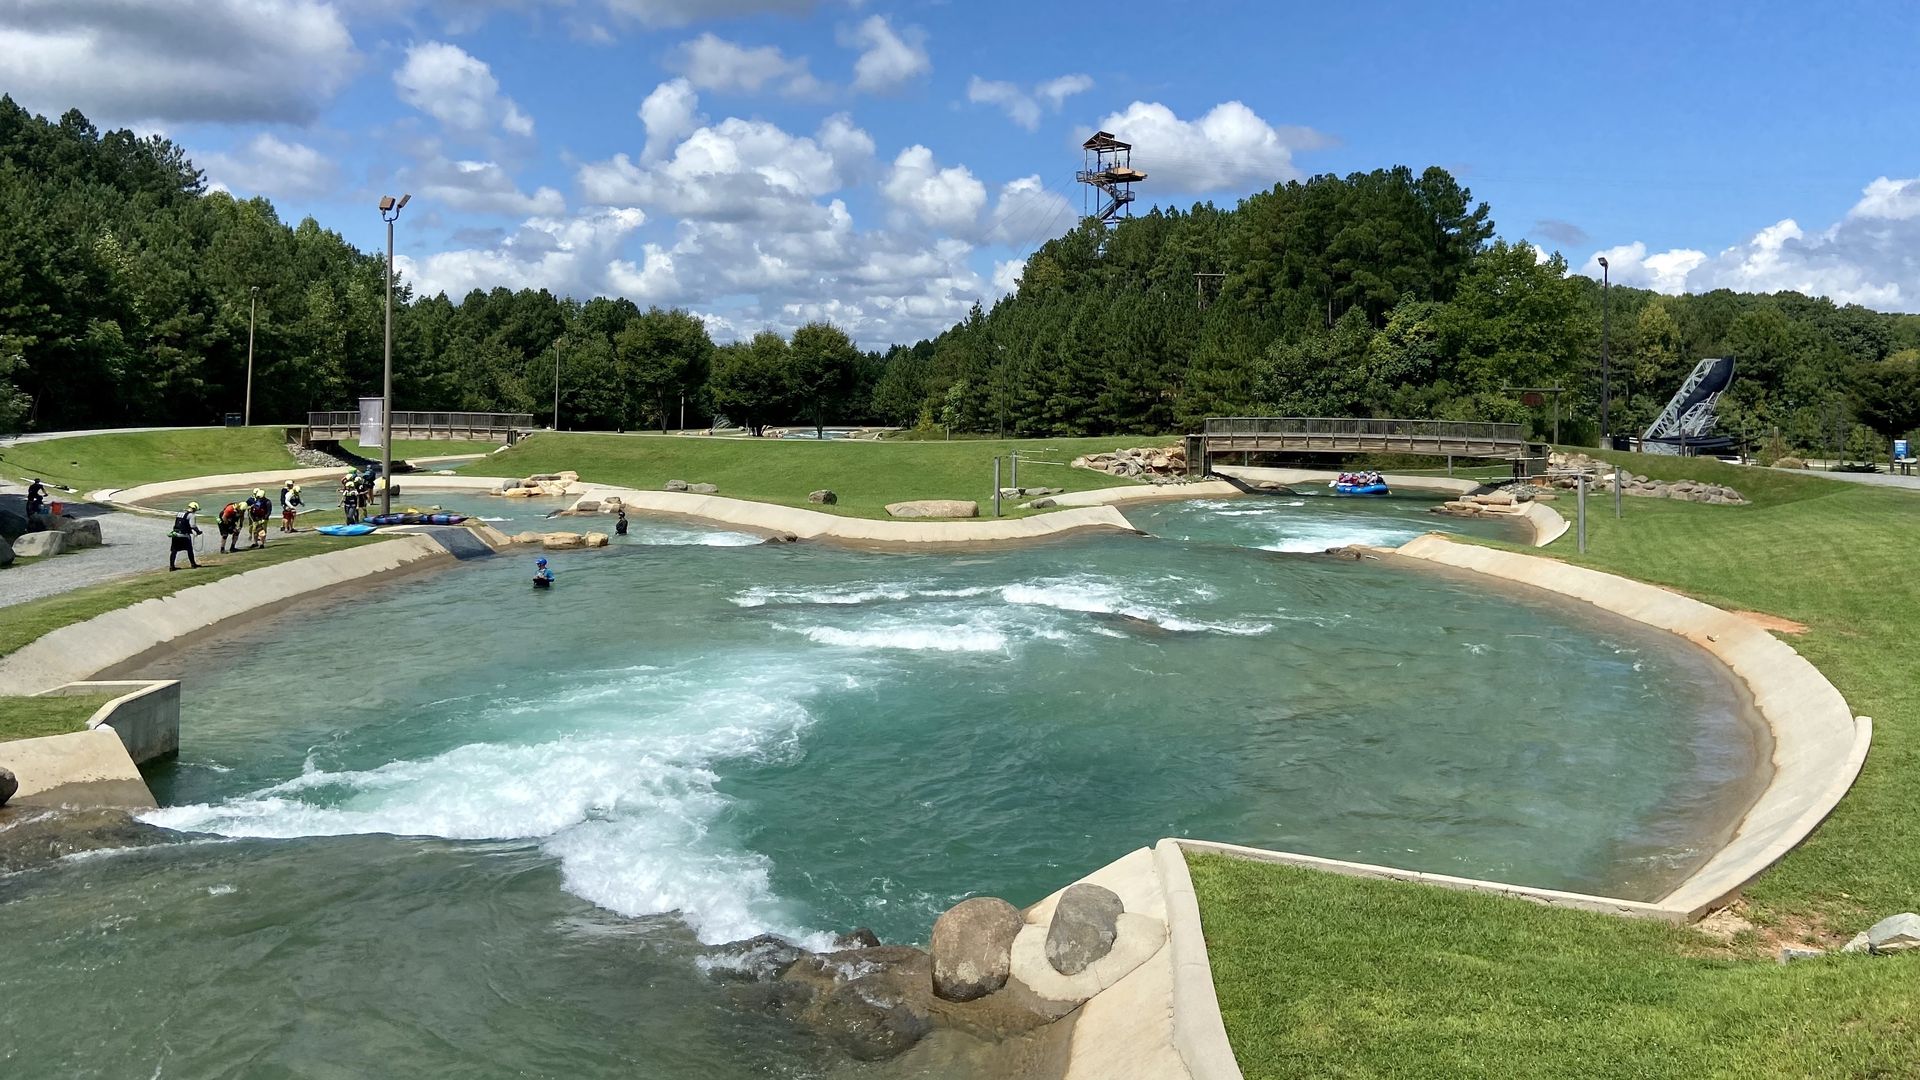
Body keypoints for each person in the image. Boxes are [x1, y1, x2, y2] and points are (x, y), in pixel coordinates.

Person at [169, 501, 203, 570]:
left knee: (174, 551)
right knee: (189, 550)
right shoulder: (191, 515)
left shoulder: (180, 512)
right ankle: (193, 564)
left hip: (175, 534)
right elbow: (193, 525)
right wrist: (198, 531)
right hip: (184, 535)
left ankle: (172, 566)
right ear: (194, 509)